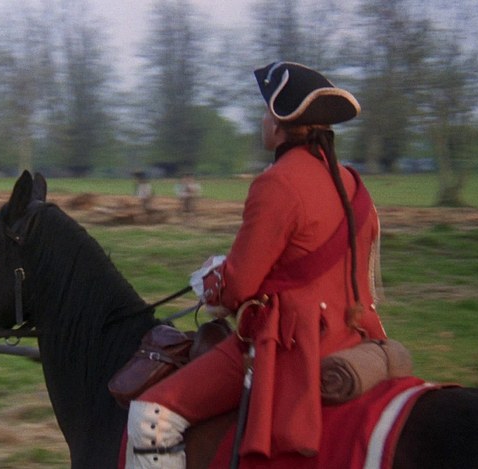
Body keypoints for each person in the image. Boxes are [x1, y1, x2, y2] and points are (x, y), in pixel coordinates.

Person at [126, 62, 388, 468]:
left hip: (293, 346)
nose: (263, 120)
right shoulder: (353, 182)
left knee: (149, 418)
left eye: (266, 112)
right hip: (355, 337)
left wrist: (210, 279)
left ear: (281, 124)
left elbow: (237, 289)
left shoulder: (277, 182)